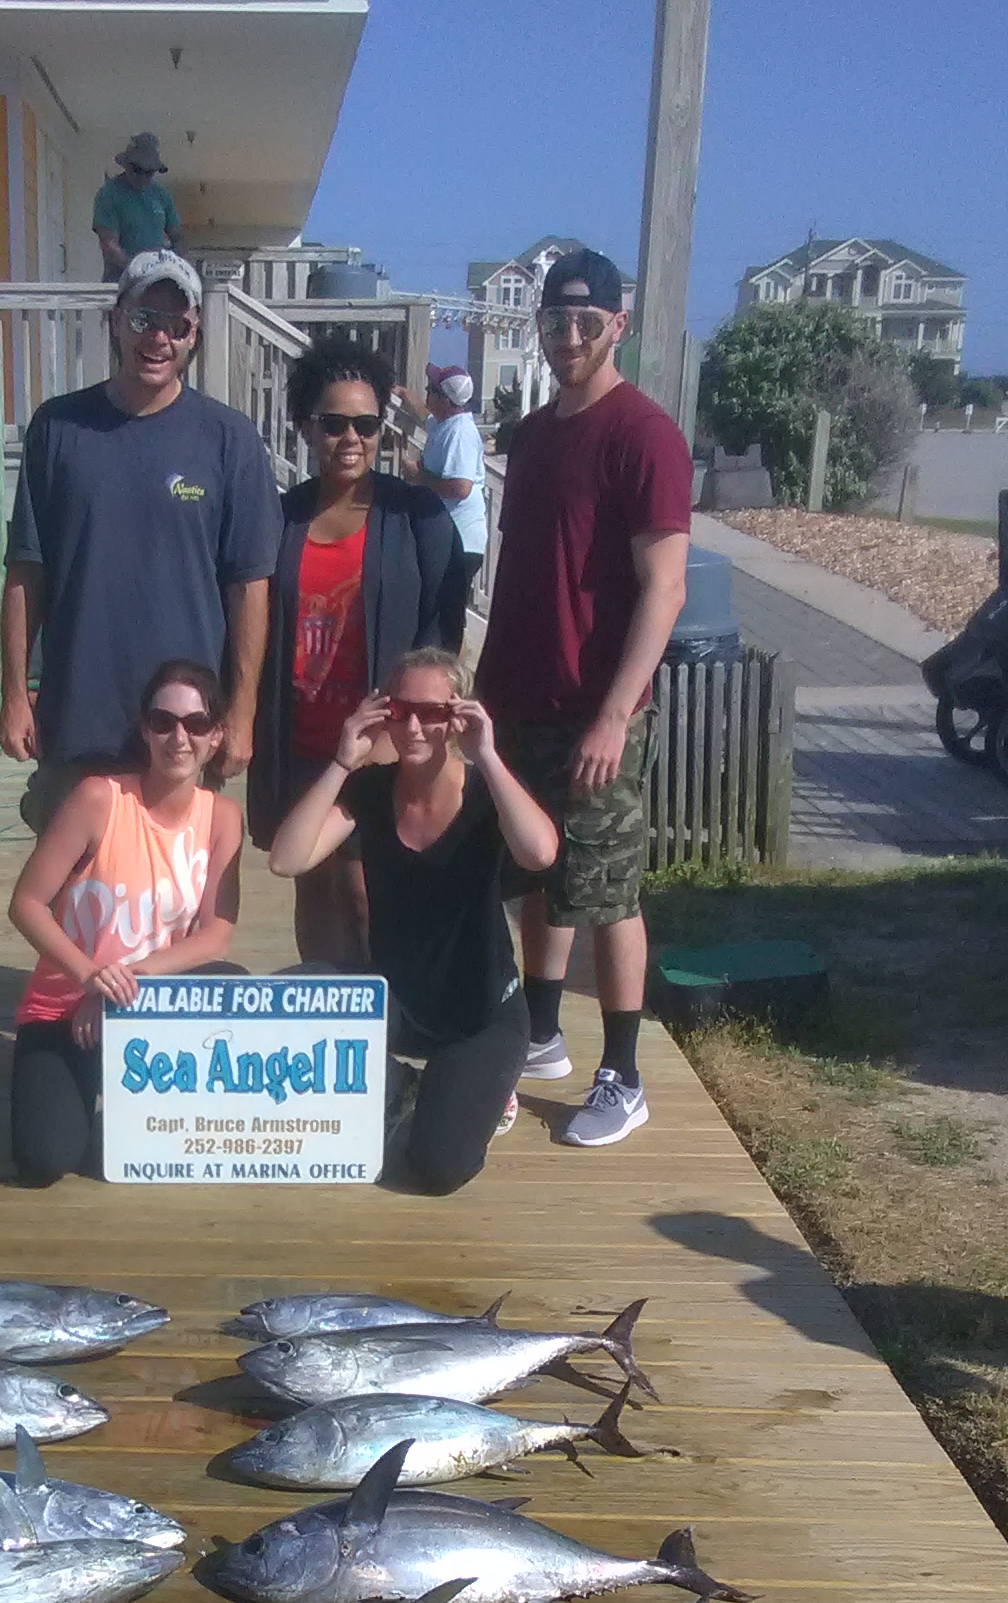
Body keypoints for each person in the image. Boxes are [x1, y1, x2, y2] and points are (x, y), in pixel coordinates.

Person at [473, 246, 690, 1149]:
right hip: (517, 698)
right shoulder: (530, 435)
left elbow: (665, 588)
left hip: (597, 711)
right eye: (555, 323)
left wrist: (613, 713)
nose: (569, 338)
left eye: (586, 323)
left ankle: (623, 1074)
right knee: (535, 880)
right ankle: (542, 1033)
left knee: (607, 892)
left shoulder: (645, 435)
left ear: (618, 327)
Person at [0, 251, 279, 834]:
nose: (159, 338)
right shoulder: (56, 428)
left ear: (194, 334)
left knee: (174, 913)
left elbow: (248, 586)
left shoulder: (231, 440)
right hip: (78, 718)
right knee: (74, 908)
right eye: (144, 319)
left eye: (177, 326)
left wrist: (244, 712)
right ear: (115, 320)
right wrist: (13, 693)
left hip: (186, 728)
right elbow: (27, 572)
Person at [269, 650, 559, 1196]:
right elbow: (287, 859)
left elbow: (540, 853)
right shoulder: (372, 790)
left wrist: (489, 758)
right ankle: (402, 1085)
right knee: (290, 996)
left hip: (481, 1012)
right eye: (401, 710)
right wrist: (341, 763)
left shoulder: (484, 794)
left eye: (432, 712)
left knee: (438, 1167)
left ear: (459, 717)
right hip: (395, 1000)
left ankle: (477, 1088)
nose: (414, 726)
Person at [250, 341, 465, 967]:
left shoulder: (417, 517)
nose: (351, 438)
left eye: (366, 425)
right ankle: (325, 1018)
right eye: (333, 423)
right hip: (300, 741)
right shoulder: (279, 518)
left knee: (367, 891)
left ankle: (384, 1025)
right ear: (305, 427)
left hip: (385, 746)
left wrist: (411, 733)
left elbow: (442, 636)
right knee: (312, 887)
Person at [7, 660, 244, 1186]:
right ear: (144, 728)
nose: (179, 738)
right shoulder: (99, 798)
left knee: (233, 981)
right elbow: (26, 903)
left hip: (146, 1005)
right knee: (44, 1160)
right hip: (65, 1005)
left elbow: (216, 934)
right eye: (163, 722)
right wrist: (90, 977)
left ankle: (125, 1094)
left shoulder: (223, 817)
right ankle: (76, 1085)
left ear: (216, 735)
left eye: (196, 724)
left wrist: (122, 984)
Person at [400, 364, 488, 610]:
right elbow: (423, 415)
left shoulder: (460, 433)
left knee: (444, 615)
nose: (427, 393)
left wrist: (420, 477)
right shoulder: (445, 423)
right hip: (448, 537)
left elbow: (461, 487)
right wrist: (406, 395)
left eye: (432, 389)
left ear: (447, 400)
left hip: (460, 541)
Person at [93, 134, 182, 281]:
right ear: (126, 165)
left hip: (156, 283)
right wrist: (137, 271)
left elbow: (178, 236)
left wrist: (172, 262)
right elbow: (109, 244)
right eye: (137, 169)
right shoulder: (109, 194)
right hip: (120, 282)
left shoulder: (161, 195)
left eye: (149, 172)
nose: (142, 177)